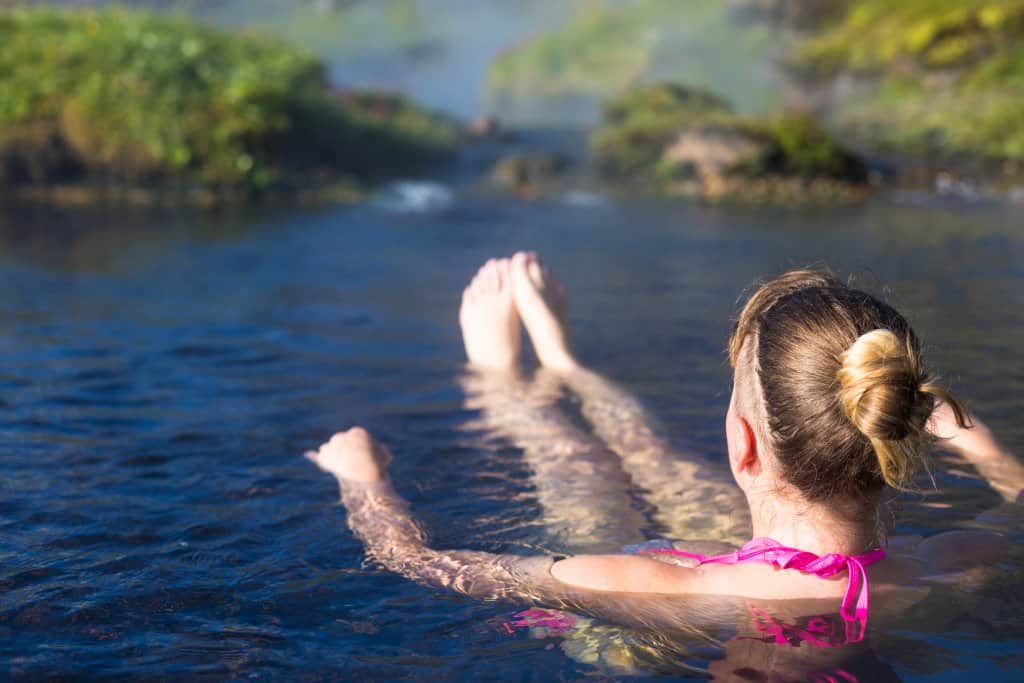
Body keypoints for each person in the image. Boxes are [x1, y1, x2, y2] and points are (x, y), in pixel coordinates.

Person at [305, 253, 1023, 676]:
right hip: (740, 572)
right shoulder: (948, 561)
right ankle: (559, 364)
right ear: (892, 428)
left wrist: (360, 477)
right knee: (654, 477)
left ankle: (506, 381)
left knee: (585, 479)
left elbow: (417, 561)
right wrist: (981, 446)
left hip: (652, 631)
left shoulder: (657, 585)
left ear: (743, 445)